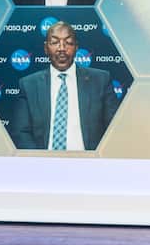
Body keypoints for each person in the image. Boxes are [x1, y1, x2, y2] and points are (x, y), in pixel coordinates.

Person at [8, 21, 119, 151]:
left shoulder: (101, 80)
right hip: (43, 161)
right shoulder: (28, 85)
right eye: (55, 42)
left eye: (68, 42)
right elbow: (21, 132)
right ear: (46, 48)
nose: (61, 48)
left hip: (88, 160)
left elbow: (114, 129)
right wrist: (40, 160)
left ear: (76, 47)